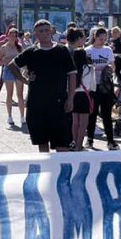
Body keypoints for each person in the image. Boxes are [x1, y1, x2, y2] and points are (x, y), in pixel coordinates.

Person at [16, 20, 77, 153]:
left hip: (59, 103)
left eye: (46, 30)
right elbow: (12, 65)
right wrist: (24, 78)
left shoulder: (62, 50)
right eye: (41, 31)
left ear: (52, 31)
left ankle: (61, 173)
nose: (44, 33)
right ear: (35, 34)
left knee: (63, 145)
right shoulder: (31, 52)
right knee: (42, 143)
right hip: (37, 104)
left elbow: (72, 75)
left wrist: (71, 98)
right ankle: (46, 171)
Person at [85, 27, 119, 150]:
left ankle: (110, 140)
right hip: (92, 86)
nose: (103, 41)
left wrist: (108, 68)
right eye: (100, 39)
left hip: (105, 85)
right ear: (95, 37)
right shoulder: (88, 50)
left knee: (106, 114)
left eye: (105, 39)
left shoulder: (108, 50)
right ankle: (89, 139)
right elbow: (85, 68)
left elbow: (113, 66)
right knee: (92, 114)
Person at [66, 28, 94, 151]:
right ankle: (79, 145)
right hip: (84, 95)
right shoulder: (88, 68)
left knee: (74, 122)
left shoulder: (71, 66)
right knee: (83, 123)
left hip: (72, 94)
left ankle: (73, 142)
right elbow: (92, 85)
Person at [0, 26, 26, 127]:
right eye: (11, 35)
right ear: (7, 35)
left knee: (20, 94)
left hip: (18, 70)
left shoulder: (19, 46)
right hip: (8, 70)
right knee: (9, 93)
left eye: (15, 35)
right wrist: (7, 60)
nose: (13, 37)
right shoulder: (4, 47)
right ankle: (10, 116)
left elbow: (24, 60)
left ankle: (22, 116)